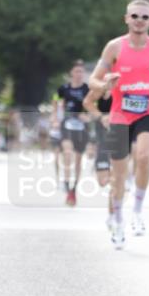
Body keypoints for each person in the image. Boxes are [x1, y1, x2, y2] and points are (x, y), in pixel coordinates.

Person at [89, 0, 149, 249]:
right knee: (118, 176)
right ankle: (117, 219)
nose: (140, 21)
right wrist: (106, 84)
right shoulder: (114, 48)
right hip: (120, 114)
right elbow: (93, 81)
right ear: (126, 18)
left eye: (145, 17)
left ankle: (137, 211)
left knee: (144, 157)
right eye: (135, 16)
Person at [56, 61, 90, 206]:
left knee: (78, 160)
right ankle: (65, 180)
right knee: (67, 153)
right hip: (67, 124)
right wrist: (55, 119)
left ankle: (73, 188)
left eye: (81, 72)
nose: (79, 74)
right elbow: (57, 104)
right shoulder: (63, 89)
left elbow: (93, 107)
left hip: (82, 128)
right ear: (71, 73)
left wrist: (87, 116)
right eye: (76, 71)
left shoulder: (88, 89)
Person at [83, 82, 114, 229]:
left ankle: (112, 215)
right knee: (103, 182)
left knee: (116, 180)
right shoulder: (98, 90)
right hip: (101, 141)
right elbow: (87, 103)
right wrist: (102, 117)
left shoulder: (123, 90)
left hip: (119, 141)